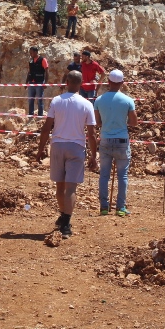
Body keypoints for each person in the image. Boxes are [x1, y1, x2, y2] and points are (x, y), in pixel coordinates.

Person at [35, 70, 97, 239]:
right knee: (71, 188)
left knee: (59, 187)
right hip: (76, 147)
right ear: (82, 83)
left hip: (57, 145)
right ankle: (66, 224)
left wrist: (40, 149)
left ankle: (63, 216)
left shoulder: (56, 101)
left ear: (67, 82)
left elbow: (47, 128)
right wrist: (93, 155)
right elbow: (91, 133)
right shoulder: (87, 104)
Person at [93, 69, 138, 217]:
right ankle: (120, 207)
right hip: (122, 141)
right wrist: (122, 122)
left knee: (104, 175)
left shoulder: (99, 100)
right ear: (122, 83)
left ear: (108, 82)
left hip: (105, 140)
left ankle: (104, 207)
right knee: (122, 176)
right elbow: (134, 122)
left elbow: (98, 122)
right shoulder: (128, 101)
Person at [26, 46, 49, 117]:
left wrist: (45, 83)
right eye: (30, 53)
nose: (30, 54)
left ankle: (40, 115)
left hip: (39, 82)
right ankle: (30, 115)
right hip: (31, 82)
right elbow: (29, 71)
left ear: (36, 52)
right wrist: (26, 82)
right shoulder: (31, 60)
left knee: (39, 100)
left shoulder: (43, 60)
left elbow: (47, 72)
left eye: (31, 53)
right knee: (30, 100)